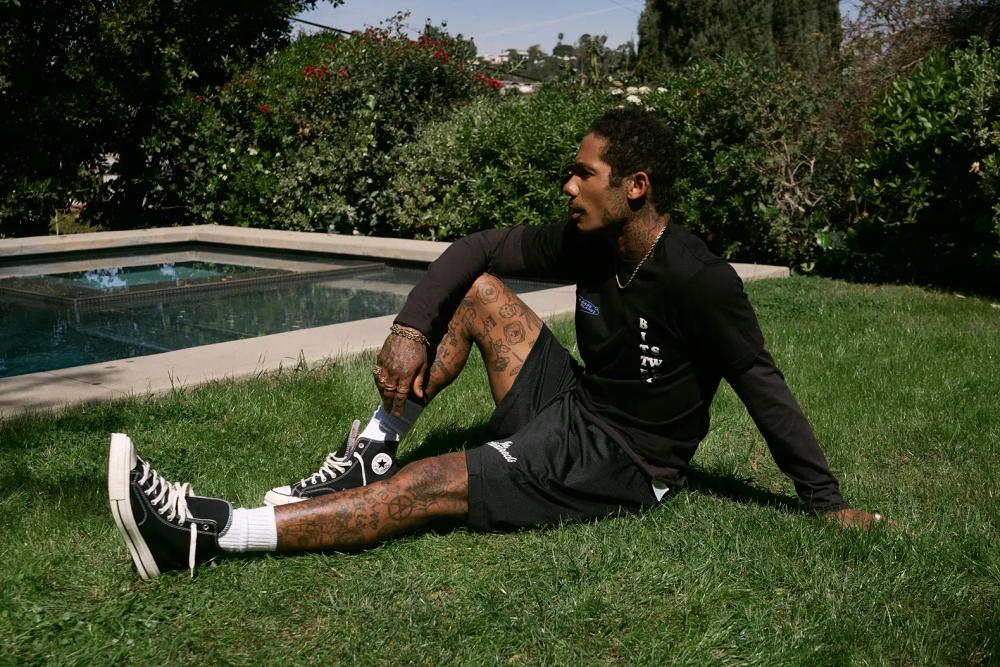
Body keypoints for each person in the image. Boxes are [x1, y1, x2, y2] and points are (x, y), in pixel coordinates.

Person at [107, 107, 879, 579]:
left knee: (434, 482)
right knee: (477, 294)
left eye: (584, 175)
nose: (567, 189)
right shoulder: (589, 244)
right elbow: (474, 249)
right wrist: (410, 329)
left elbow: (760, 382)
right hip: (572, 400)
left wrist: (826, 502)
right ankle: (374, 445)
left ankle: (209, 535)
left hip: (621, 460)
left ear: (634, 185)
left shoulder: (701, 280)